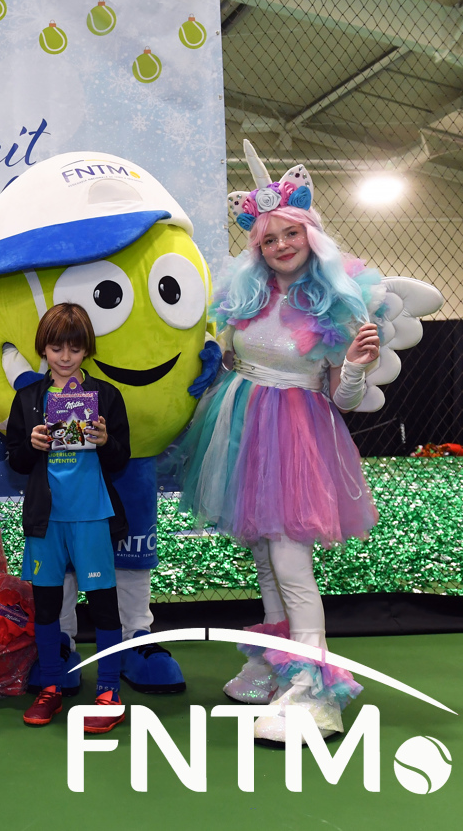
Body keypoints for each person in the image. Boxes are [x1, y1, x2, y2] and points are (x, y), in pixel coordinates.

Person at [178, 146, 379, 742]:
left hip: (296, 437)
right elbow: (233, 358)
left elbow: (343, 400)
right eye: (270, 238)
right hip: (241, 429)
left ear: (310, 235)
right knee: (264, 555)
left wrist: (356, 366)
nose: (282, 245)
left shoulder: (339, 304)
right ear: (257, 247)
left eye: (291, 233)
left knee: (291, 560)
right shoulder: (247, 296)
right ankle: (273, 666)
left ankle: (315, 693)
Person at [6, 303, 131, 732]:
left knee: (104, 604)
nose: (64, 357)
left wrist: (105, 440)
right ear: (43, 348)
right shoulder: (28, 398)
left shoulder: (106, 396)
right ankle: (51, 687)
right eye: (56, 347)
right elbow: (16, 460)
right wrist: (32, 445)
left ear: (86, 350)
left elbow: (121, 458)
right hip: (46, 519)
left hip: (93, 516)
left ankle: (109, 691)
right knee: (46, 605)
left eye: (74, 348)